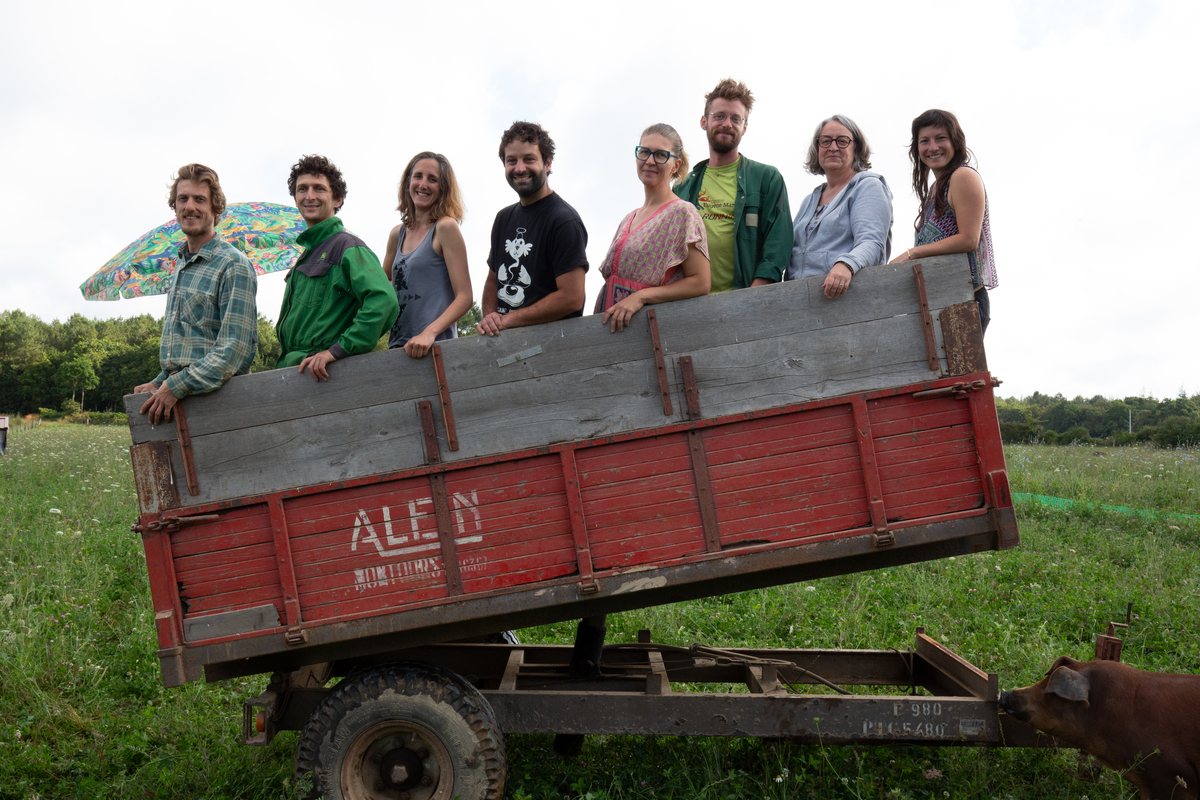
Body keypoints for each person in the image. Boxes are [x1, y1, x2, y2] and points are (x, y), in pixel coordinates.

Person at [134, 163, 257, 424]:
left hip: (218, 408)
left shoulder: (233, 264)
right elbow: (190, 346)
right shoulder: (180, 264)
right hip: (180, 403)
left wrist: (175, 385)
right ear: (175, 207)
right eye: (183, 199)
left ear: (216, 208)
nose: (190, 206)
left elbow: (235, 351)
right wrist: (159, 382)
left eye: (199, 199)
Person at [276, 154, 399, 379]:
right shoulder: (306, 256)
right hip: (293, 372)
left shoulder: (347, 247)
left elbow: (384, 301)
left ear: (338, 199)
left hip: (324, 377)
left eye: (319, 189)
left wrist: (337, 351)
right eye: (302, 189)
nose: (309, 196)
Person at [674, 78, 791, 293]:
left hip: (745, 304)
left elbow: (778, 245)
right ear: (704, 121)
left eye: (736, 119)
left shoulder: (767, 179)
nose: (727, 123)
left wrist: (751, 297)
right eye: (719, 116)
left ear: (745, 127)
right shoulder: (682, 188)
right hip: (688, 306)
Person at [477, 122, 589, 336]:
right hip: (505, 346)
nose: (519, 168)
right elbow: (493, 281)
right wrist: (491, 320)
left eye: (529, 159)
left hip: (551, 351)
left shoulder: (564, 220)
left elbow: (572, 297)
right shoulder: (503, 218)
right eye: (511, 161)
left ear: (547, 163)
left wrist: (508, 320)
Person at [890, 109, 997, 333]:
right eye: (924, 141)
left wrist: (912, 253)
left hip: (965, 300)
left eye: (941, 138)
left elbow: (969, 239)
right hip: (943, 300)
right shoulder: (936, 188)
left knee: (962, 370)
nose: (933, 147)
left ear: (955, 142)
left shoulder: (963, 176)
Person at [597, 123, 710, 332]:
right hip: (611, 327)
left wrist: (641, 297)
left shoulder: (683, 213)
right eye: (644, 152)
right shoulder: (628, 218)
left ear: (676, 165)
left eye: (660, 155)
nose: (649, 161)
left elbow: (701, 283)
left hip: (646, 330)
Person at [786, 115, 893, 299]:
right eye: (825, 141)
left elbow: (872, 243)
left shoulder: (867, 186)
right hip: (801, 304)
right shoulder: (809, 201)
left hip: (845, 303)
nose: (833, 147)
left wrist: (846, 265)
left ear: (856, 149)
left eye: (842, 141)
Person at [381, 152, 473, 357]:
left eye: (433, 179)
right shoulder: (397, 234)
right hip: (397, 348)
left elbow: (465, 297)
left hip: (435, 348)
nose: (423, 184)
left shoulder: (445, 228)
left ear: (443, 189)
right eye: (418, 176)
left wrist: (429, 333)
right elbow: (384, 279)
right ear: (407, 182)